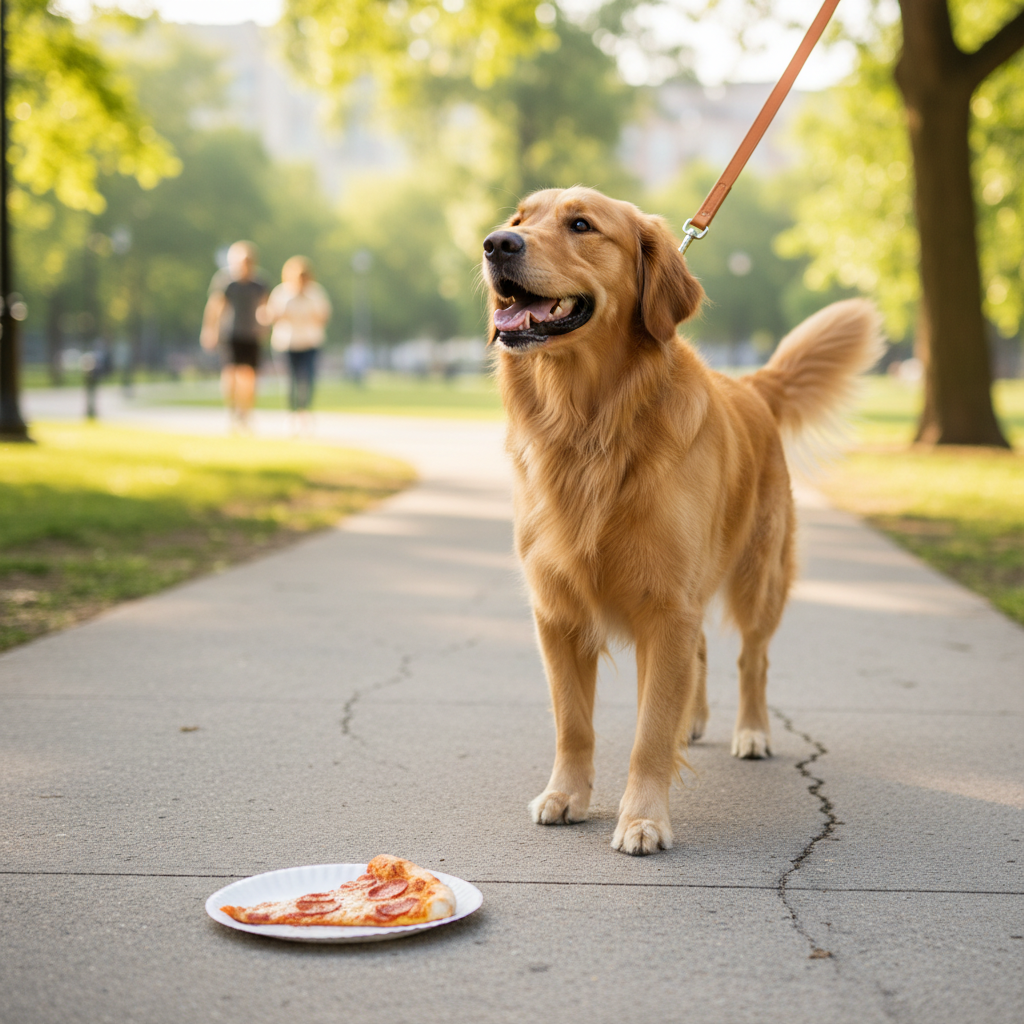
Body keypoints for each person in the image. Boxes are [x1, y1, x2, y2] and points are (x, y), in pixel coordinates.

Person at [200, 241, 269, 430]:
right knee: (230, 374)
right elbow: (215, 306)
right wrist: (209, 330)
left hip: (252, 334)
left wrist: (265, 321)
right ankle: (232, 412)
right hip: (231, 333)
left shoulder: (260, 283)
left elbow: (265, 305)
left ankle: (245, 413)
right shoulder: (226, 281)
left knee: (249, 376)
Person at [263, 256, 332, 432]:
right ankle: (291, 413)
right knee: (290, 381)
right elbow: (271, 316)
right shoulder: (282, 293)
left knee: (308, 379)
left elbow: (323, 317)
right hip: (287, 343)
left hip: (310, 342)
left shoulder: (316, 293)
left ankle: (304, 412)